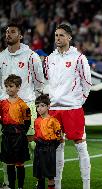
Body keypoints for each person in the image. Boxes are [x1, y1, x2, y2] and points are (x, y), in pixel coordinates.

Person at [44, 24, 92, 189]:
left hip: (73, 108)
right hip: (54, 109)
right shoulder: (50, 58)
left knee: (80, 146)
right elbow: (47, 81)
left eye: (61, 35)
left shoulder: (79, 58)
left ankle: (86, 186)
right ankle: (57, 185)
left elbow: (87, 83)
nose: (58, 38)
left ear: (69, 38)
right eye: (56, 35)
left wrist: (77, 101)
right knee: (57, 147)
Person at [0, 21, 44, 188]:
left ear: (20, 36)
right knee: (6, 146)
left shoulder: (31, 56)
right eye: (6, 32)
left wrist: (36, 103)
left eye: (12, 32)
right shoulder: (1, 57)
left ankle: (40, 179)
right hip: (5, 106)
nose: (8, 34)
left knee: (33, 144)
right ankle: (7, 183)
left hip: (26, 105)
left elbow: (40, 82)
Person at [0, 74, 31, 189]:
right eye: (6, 86)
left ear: (18, 87)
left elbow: (27, 120)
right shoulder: (2, 103)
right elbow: (2, 119)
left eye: (11, 86)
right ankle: (11, 186)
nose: (8, 89)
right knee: (9, 163)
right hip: (7, 136)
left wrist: (21, 133)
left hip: (19, 137)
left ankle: (20, 187)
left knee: (19, 163)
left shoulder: (23, 105)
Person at [33, 94, 62, 189]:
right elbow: (36, 135)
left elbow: (59, 137)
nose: (39, 108)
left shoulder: (53, 121)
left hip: (49, 149)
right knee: (39, 175)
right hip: (38, 149)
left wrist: (51, 147)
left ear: (48, 106)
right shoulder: (36, 121)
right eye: (37, 106)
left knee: (50, 175)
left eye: (42, 105)